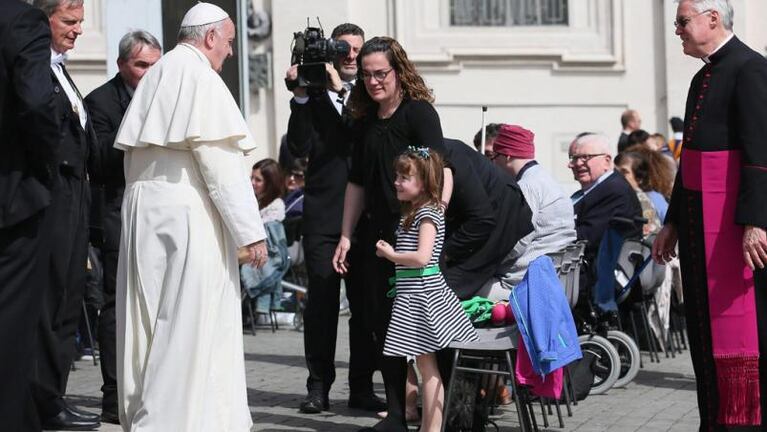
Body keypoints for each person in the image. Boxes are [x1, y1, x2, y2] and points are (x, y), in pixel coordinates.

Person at [113, 3, 268, 430]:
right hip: (187, 213)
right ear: (211, 37)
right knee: (187, 324)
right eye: (230, 41)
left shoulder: (159, 73)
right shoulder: (199, 76)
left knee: (147, 320)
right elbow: (220, 167)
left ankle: (147, 413)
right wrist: (250, 233)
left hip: (144, 210)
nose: (231, 52)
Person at [652, 1, 767, 429]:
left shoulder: (750, 68)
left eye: (682, 21)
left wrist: (758, 222)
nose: (677, 30)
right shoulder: (702, 77)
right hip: (701, 233)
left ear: (712, 19)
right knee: (702, 337)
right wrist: (673, 222)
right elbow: (693, 163)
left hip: (736, 235)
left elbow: (761, 154)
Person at [332, 36, 453, 432]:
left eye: (380, 73)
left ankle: (432, 419)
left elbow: (441, 170)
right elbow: (356, 184)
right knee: (384, 328)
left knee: (421, 334)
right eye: (366, 75)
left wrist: (435, 217)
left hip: (414, 237)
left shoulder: (419, 114)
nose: (373, 82)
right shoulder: (364, 121)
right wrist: (346, 235)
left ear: (398, 71)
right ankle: (398, 414)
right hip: (375, 239)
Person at [285, 22, 384, 414]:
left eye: (356, 48)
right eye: (342, 48)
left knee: (366, 305)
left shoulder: (371, 91)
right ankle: (318, 387)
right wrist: (301, 98)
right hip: (325, 215)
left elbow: (365, 139)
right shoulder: (314, 89)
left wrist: (337, 91)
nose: (350, 55)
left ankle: (361, 386)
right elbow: (296, 146)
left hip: (366, 217)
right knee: (322, 303)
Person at [84, 29, 162, 425]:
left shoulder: (168, 96)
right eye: (141, 65)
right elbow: (99, 165)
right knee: (115, 303)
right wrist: (139, 129)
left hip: (159, 212)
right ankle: (113, 396)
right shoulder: (99, 102)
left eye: (154, 64)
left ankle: (153, 388)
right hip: (116, 212)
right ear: (121, 65)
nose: (150, 74)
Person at [30, 0, 101, 429]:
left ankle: (54, 394)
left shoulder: (63, 70)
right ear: (44, 21)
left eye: (81, 23)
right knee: (48, 298)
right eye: (69, 22)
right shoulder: (34, 70)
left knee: (69, 296)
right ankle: (40, 399)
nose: (77, 31)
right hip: (50, 198)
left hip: (77, 197)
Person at [375, 148, 477, 432]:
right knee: (426, 366)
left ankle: (431, 429)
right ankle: (430, 428)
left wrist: (392, 256)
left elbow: (422, 257)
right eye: (397, 175)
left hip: (423, 295)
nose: (396, 181)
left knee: (428, 368)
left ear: (424, 182)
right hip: (413, 293)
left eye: (404, 177)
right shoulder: (419, 211)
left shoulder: (428, 215)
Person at [0, 2, 60, 431]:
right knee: (12, 326)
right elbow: (37, 102)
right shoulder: (19, 19)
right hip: (12, 197)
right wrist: (45, 165)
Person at [481, 124, 576, 300]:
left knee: (457, 287)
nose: (493, 163)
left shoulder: (526, 187)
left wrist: (479, 260)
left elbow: (514, 244)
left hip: (525, 283)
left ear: (507, 156)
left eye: (494, 156)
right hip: (553, 276)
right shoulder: (546, 180)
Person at [569, 133, 642, 314]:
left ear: (607, 160)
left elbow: (587, 236)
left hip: (594, 277)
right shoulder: (597, 189)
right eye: (574, 158)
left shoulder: (611, 189)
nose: (576, 164)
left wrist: (551, 237)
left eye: (585, 158)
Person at [242, 159, 288, 313]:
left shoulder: (275, 207)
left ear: (270, 182)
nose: (252, 182)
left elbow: (270, 243)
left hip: (263, 253)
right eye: (251, 178)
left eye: (258, 180)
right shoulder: (253, 200)